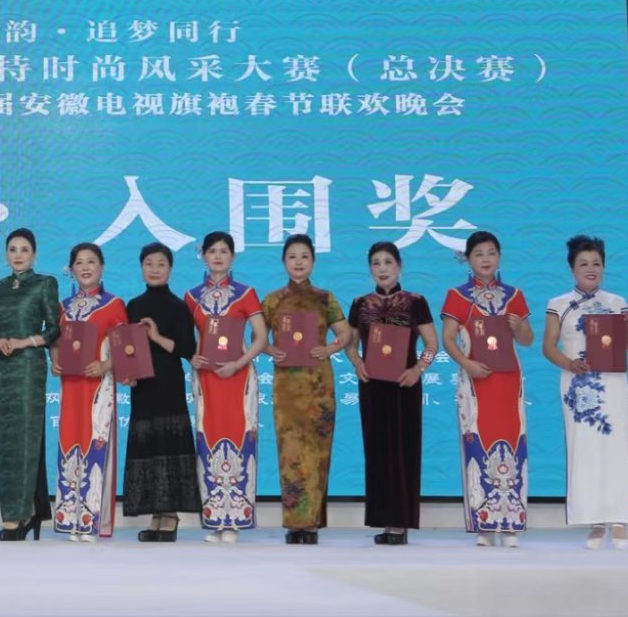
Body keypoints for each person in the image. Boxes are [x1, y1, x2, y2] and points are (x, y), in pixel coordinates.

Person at [543, 235, 628, 550]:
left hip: (612, 384)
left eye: (596, 263)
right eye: (583, 263)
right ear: (572, 268)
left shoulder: (616, 302)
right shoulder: (558, 304)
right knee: (583, 450)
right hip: (578, 384)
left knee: (616, 447)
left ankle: (619, 519)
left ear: (604, 267)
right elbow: (548, 347)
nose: (591, 268)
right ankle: (595, 520)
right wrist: (569, 364)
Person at [441, 230, 534, 547]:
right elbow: (448, 339)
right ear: (468, 259)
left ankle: (511, 524)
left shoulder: (514, 295)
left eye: (491, 252)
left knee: (514, 442)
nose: (485, 259)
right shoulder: (457, 295)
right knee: (476, 443)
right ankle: (483, 524)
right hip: (475, 382)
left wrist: (519, 326)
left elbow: (527, 340)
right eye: (479, 253)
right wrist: (466, 364)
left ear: (499, 257)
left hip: (509, 382)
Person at [345, 241, 438, 546]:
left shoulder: (415, 301)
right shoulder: (360, 303)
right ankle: (384, 519)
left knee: (403, 451)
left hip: (404, 385)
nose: (382, 268)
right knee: (377, 452)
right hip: (372, 385)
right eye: (376, 263)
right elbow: (350, 344)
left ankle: (400, 522)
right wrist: (357, 362)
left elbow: (431, 344)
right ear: (369, 269)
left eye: (388, 262)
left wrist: (418, 370)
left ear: (399, 266)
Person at [262, 234, 350, 545]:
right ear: (284, 262)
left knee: (317, 451)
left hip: (318, 385)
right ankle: (294, 523)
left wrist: (329, 348)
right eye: (292, 257)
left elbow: (346, 334)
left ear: (313, 261)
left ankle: (310, 523)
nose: (298, 262)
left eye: (304, 256)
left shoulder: (325, 298)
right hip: (286, 385)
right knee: (290, 452)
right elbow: (256, 338)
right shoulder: (272, 300)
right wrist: (270, 350)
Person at [185, 230, 268, 543]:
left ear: (232, 256)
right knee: (207, 441)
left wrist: (239, 362)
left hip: (238, 378)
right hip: (207, 379)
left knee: (240, 440)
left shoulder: (246, 294)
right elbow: (187, 338)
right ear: (203, 256)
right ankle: (216, 519)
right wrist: (191, 356)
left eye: (223, 251)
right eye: (212, 251)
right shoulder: (192, 296)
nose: (218, 256)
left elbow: (261, 337)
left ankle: (236, 521)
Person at [121, 242, 200, 542]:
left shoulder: (179, 306)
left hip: (168, 383)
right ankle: (157, 514)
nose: (154, 269)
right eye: (149, 264)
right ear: (141, 268)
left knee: (168, 446)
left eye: (161, 264)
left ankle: (170, 516)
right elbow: (127, 347)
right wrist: (128, 373)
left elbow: (188, 349)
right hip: (142, 386)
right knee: (149, 448)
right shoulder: (133, 306)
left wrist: (155, 336)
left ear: (170, 269)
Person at [0, 227, 60, 541]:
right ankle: (15, 512)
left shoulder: (45, 283)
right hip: (4, 368)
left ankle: (26, 513)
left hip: (30, 365)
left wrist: (23, 342)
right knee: (7, 440)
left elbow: (54, 329)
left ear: (34, 255)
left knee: (28, 437)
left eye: (24, 249)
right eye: (13, 249)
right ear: (6, 255)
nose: (18, 255)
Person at [51, 242, 127, 541]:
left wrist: (106, 364)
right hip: (70, 387)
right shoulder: (63, 307)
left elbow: (128, 348)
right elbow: (56, 343)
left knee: (96, 442)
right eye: (79, 262)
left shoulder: (114, 304)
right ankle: (71, 519)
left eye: (91, 261)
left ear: (101, 267)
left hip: (98, 387)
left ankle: (93, 520)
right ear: (71, 269)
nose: (85, 267)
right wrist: (55, 360)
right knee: (70, 442)